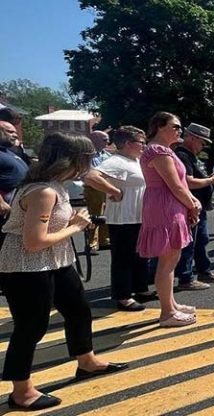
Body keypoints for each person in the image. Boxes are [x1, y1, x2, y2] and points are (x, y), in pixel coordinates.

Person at [0, 132, 128, 410]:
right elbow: (33, 242)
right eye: (86, 160)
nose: (88, 167)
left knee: (78, 309)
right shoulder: (43, 191)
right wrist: (76, 227)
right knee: (31, 326)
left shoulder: (56, 185)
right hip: (27, 266)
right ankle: (21, 392)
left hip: (57, 260)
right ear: (70, 160)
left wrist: (72, 220)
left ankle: (87, 361)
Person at [137, 112, 200, 327]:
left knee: (171, 259)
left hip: (169, 204)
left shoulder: (164, 151)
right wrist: (193, 204)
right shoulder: (158, 151)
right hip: (166, 206)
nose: (179, 131)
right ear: (160, 127)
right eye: (175, 126)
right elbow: (174, 185)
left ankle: (171, 304)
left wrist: (191, 202)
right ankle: (166, 313)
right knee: (167, 261)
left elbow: (180, 185)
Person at [83, 126, 153, 312]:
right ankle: (122, 296)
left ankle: (140, 288)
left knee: (140, 256)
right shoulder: (117, 161)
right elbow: (90, 176)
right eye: (141, 143)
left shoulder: (134, 161)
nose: (144, 146)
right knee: (124, 259)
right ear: (128, 144)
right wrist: (113, 191)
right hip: (123, 219)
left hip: (138, 217)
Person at [173, 123, 214, 290]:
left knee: (201, 240)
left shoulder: (190, 155)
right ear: (192, 137)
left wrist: (210, 178)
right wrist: (212, 180)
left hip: (198, 206)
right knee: (189, 243)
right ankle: (185, 277)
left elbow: (196, 178)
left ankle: (203, 270)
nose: (203, 146)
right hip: (190, 206)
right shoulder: (182, 155)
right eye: (202, 142)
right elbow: (188, 182)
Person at [83, 131, 111, 251]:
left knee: (106, 215)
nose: (107, 142)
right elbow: (89, 172)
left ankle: (104, 240)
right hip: (94, 188)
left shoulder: (107, 155)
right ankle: (91, 243)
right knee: (95, 215)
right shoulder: (87, 156)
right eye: (104, 140)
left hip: (107, 187)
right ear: (94, 140)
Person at [0, 121, 29, 243]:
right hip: (5, 208)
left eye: (16, 132)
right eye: (10, 132)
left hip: (18, 206)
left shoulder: (8, 152)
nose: (16, 135)